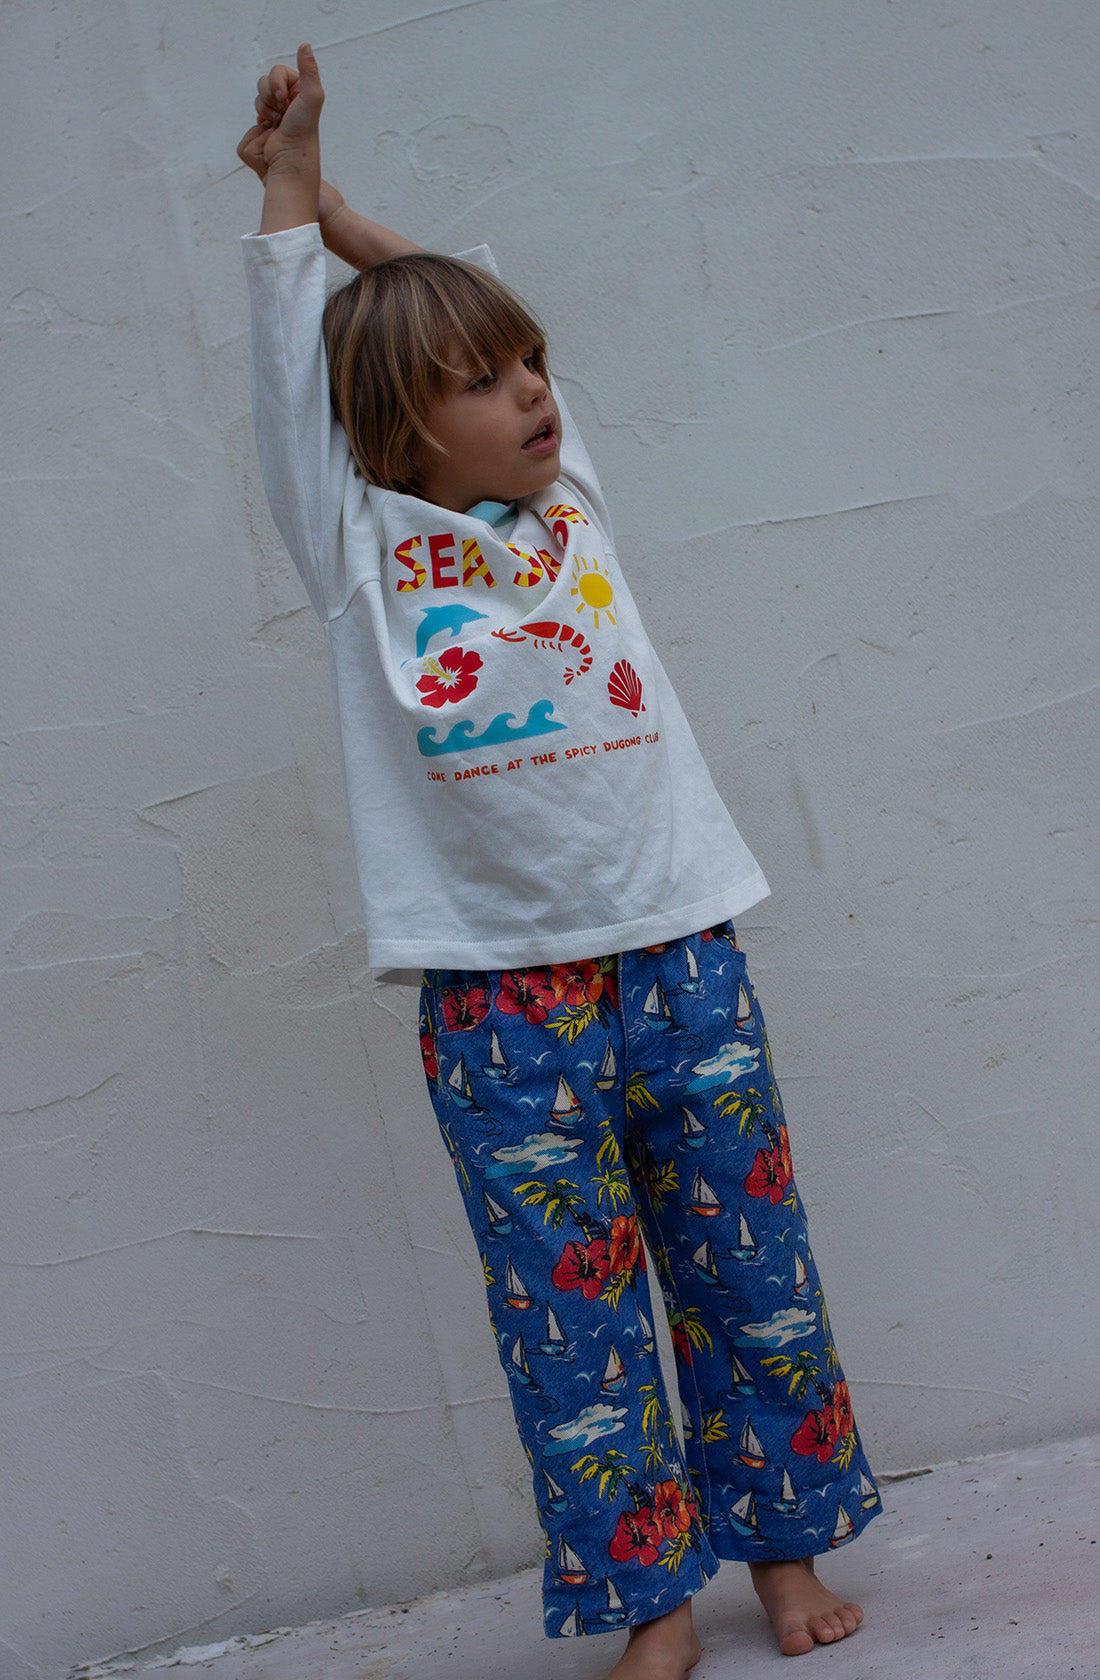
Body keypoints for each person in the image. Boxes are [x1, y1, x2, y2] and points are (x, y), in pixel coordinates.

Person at [238, 43, 881, 1677]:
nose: (533, 395)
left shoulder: (573, 502)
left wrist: (358, 218)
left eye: (532, 364)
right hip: (500, 1004)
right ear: (393, 427)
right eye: (485, 380)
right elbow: (295, 374)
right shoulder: (361, 556)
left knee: (751, 1274)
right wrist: (288, 204)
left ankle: (784, 1555)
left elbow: (448, 309)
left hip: (678, 949)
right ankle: (646, 1608)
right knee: (573, 1327)